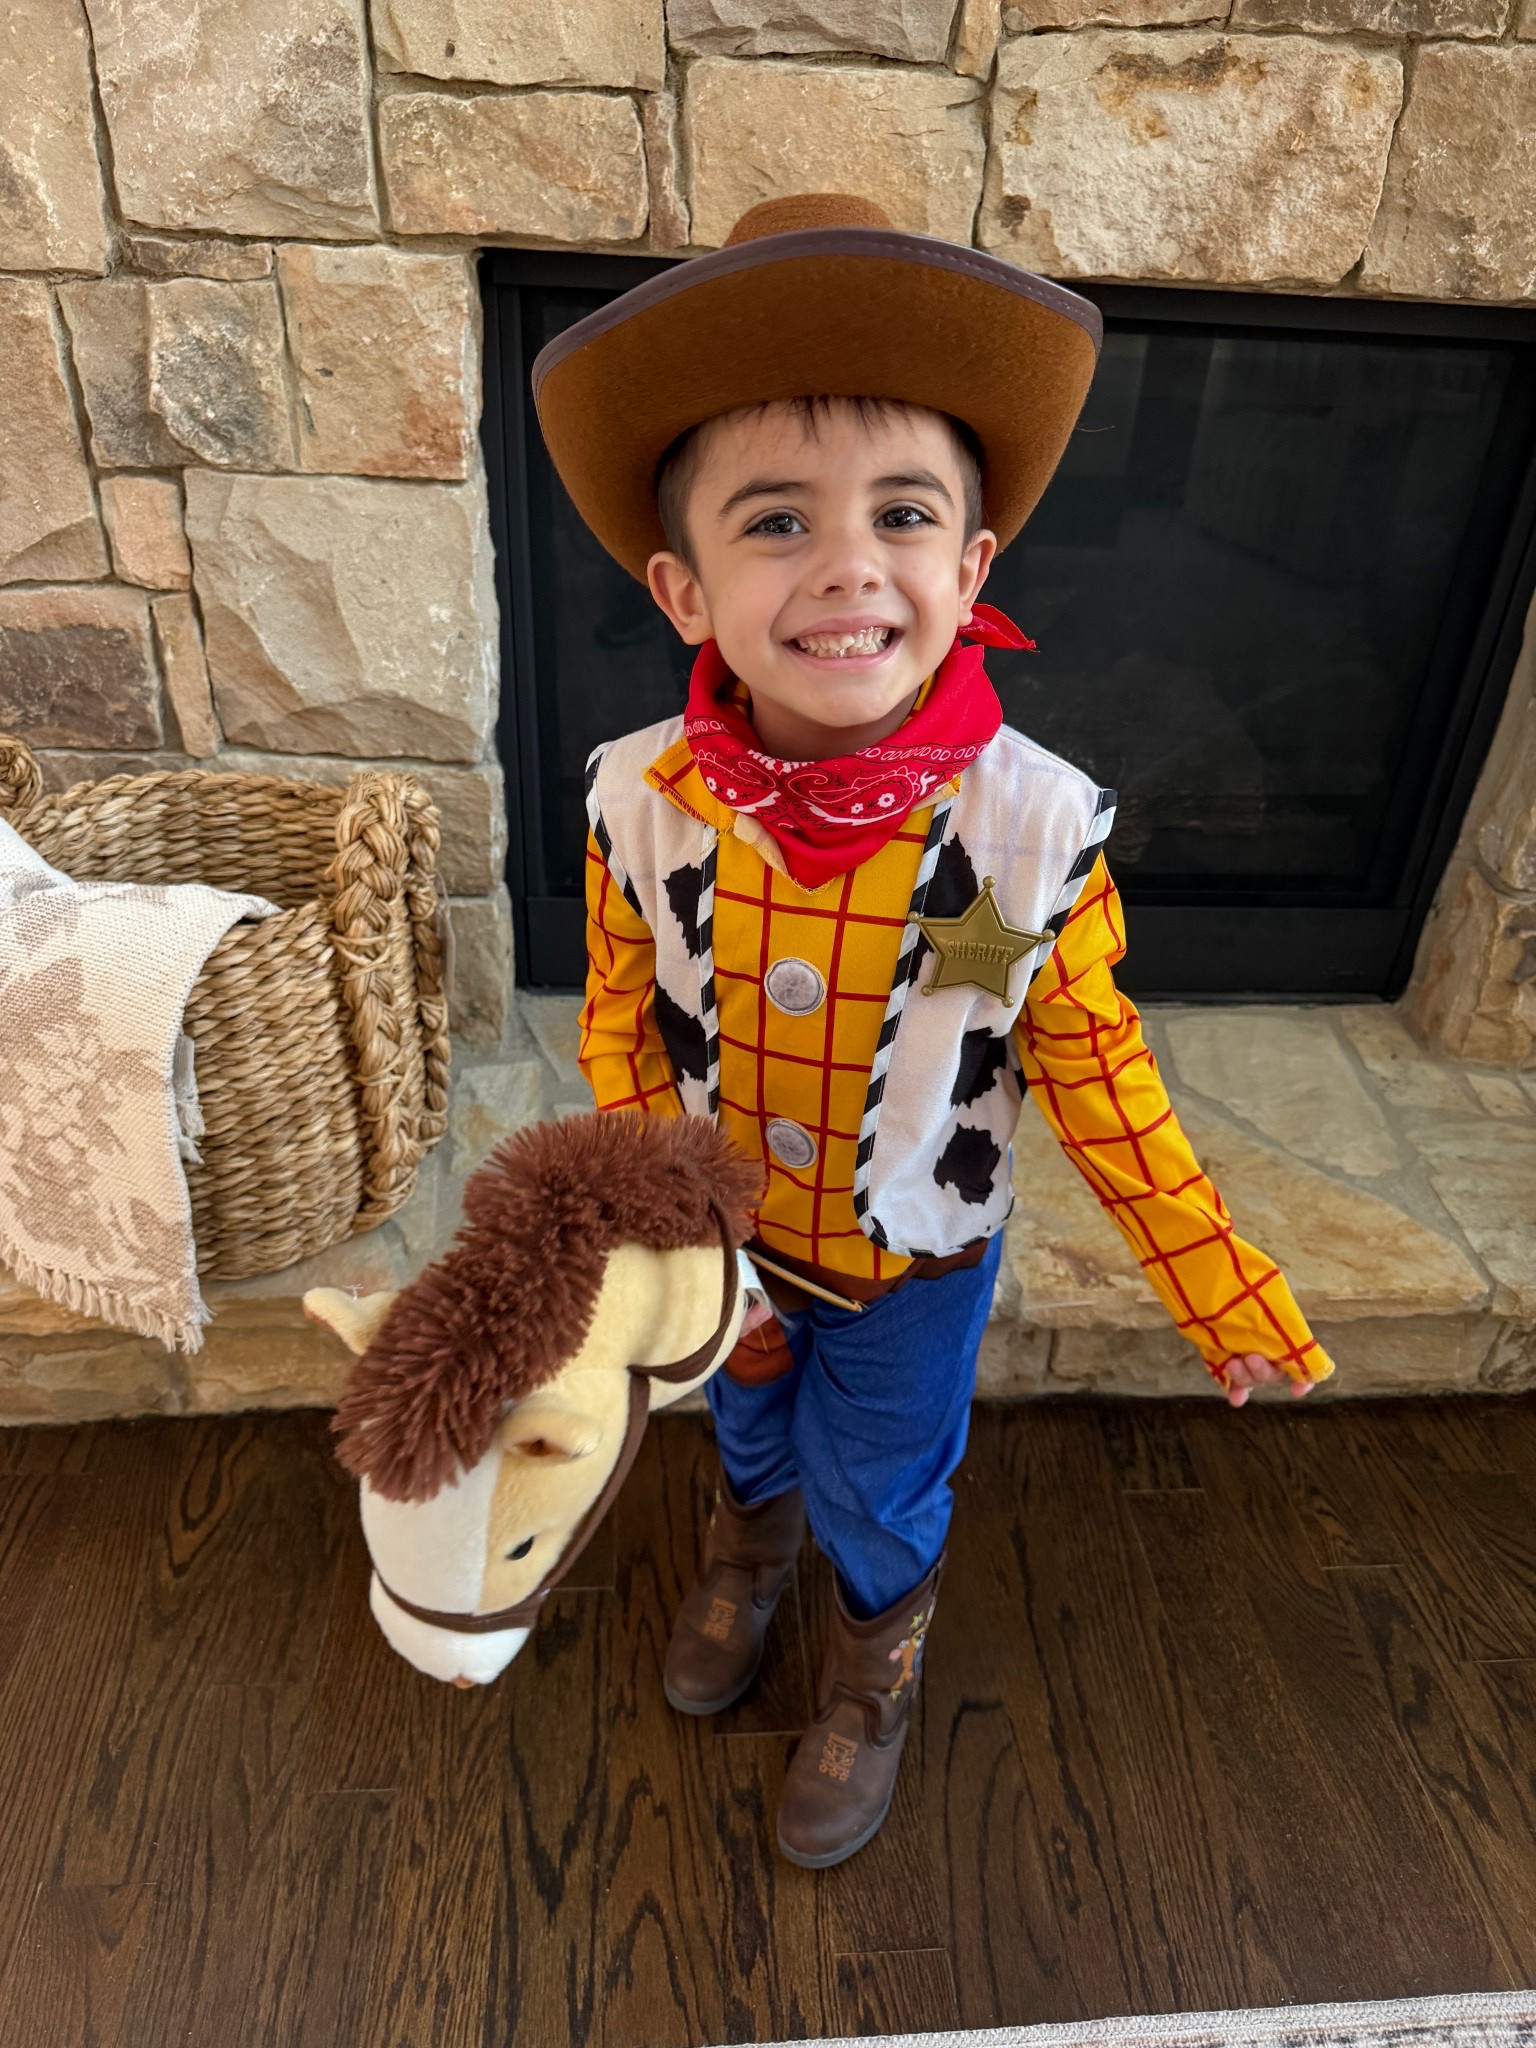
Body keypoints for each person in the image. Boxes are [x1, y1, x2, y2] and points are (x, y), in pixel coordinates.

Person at [532, 193, 1335, 1871]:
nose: (847, 565)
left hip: (909, 1261)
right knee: (746, 1422)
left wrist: (1213, 1279)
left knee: (879, 1475)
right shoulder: (639, 798)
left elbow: (1095, 1062)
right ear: (682, 587)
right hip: (729, 1238)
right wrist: (643, 1197)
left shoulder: (1028, 836)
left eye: (901, 513)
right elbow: (621, 1011)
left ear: (969, 570)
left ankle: (869, 1662)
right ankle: (745, 1558)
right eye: (774, 523)